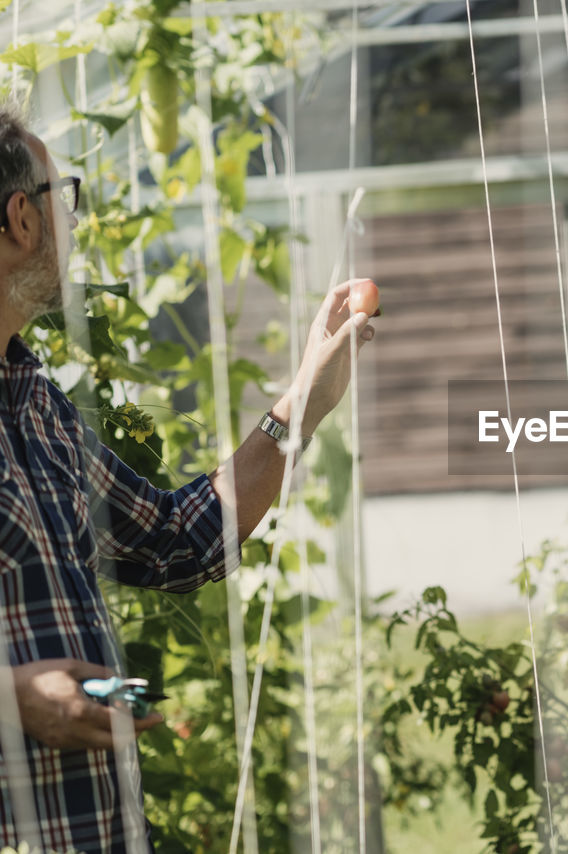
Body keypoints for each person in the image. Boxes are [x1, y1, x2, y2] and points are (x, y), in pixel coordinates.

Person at [0, 106, 375, 851]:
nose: (73, 222)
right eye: (62, 197)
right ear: (20, 220)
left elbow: (178, 538)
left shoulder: (35, 405)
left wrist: (302, 402)